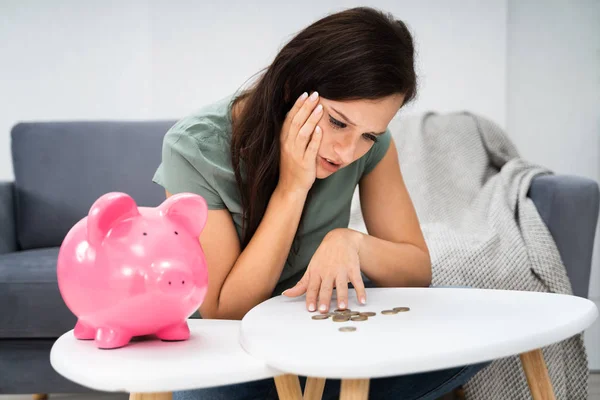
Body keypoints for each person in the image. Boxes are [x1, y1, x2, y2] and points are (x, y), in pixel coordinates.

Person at [152, 6, 489, 400]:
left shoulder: (371, 148)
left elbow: (417, 271)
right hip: (234, 350)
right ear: (288, 88)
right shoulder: (193, 147)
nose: (348, 151)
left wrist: (352, 242)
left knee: (474, 336)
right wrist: (292, 189)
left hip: (322, 335)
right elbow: (226, 313)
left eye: (368, 134)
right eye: (338, 122)